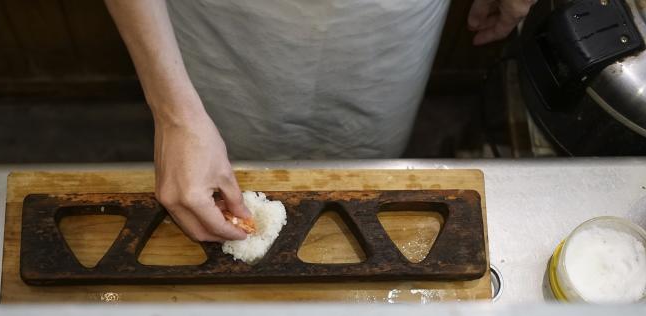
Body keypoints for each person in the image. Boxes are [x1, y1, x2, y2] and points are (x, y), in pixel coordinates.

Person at [104, 0, 537, 242]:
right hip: (229, 18)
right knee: (228, 145)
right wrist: (176, 116)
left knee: (371, 144)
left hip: (390, 19)